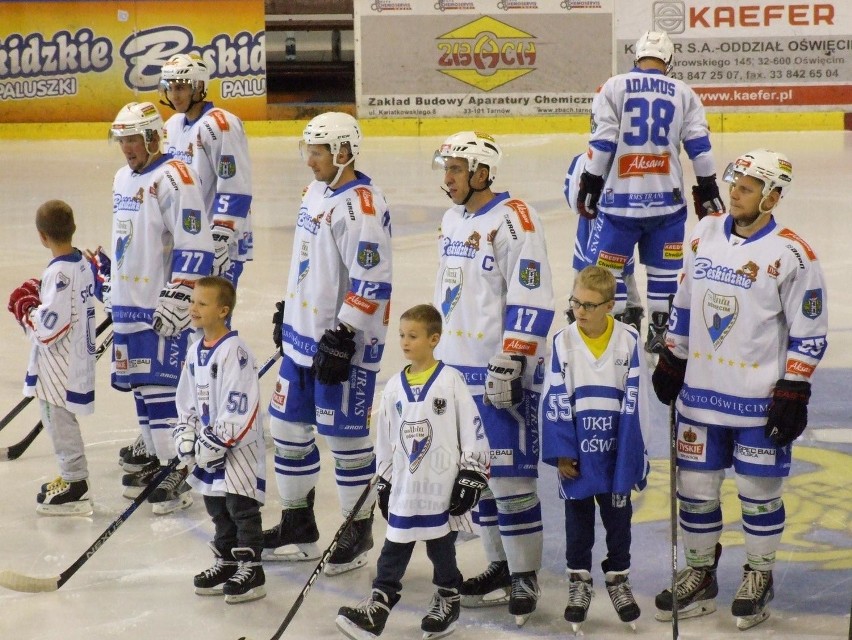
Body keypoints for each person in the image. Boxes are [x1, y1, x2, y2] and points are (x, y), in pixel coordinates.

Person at [651, 149, 828, 630]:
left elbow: (809, 332)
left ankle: (759, 575)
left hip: (757, 401)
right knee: (696, 489)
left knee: (756, 491)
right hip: (701, 396)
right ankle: (701, 574)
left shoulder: (794, 255)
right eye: (735, 184)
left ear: (772, 197)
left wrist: (794, 387)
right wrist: (673, 355)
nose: (735, 194)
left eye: (748, 188)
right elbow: (685, 301)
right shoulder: (704, 232)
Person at [431, 131, 555, 626]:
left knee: (513, 480)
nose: (449, 179)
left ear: (482, 172)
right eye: (447, 170)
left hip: (500, 371)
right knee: (478, 479)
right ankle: (500, 566)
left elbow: (534, 291)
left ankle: (524, 575)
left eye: (457, 170)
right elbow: (447, 293)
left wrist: (514, 356)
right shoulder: (451, 219)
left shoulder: (514, 219)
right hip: (457, 370)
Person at [262, 112, 393, 576]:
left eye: (317, 152)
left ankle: (357, 532)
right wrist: (289, 309)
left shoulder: (363, 206)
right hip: (303, 340)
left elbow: (372, 278)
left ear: (342, 152)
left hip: (342, 346)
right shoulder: (316, 192)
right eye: (309, 151)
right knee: (288, 431)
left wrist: (345, 334)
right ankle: (297, 525)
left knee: (345, 438)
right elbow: (307, 261)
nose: (309, 161)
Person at [336, 303, 489, 640]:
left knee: (441, 547)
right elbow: (386, 442)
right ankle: (380, 603)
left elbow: (473, 429)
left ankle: (448, 597)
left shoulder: (450, 382)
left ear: (434, 339)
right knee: (395, 544)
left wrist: (472, 473)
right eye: (402, 335)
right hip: (407, 488)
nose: (405, 342)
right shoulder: (393, 388)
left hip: (441, 487)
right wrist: (385, 481)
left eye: (413, 336)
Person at [91, 101, 215, 515]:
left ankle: (176, 469)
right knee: (141, 389)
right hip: (130, 303)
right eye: (121, 140)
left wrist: (180, 295)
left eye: (132, 140)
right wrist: (113, 284)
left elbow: (195, 243)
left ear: (151, 137)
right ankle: (158, 462)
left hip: (158, 305)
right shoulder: (122, 177)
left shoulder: (176, 177)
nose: (126, 148)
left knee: (163, 387)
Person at [576, 30, 725, 354]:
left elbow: (602, 143)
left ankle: (612, 339)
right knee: (663, 276)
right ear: (668, 61)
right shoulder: (683, 92)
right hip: (667, 205)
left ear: (637, 55)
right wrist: (708, 188)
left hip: (619, 206)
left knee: (605, 274)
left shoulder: (613, 86)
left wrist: (590, 184)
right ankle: (660, 336)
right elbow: (700, 149)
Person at [540, 265, 650, 632]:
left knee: (619, 519)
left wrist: (636, 456)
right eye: (576, 303)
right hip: (578, 454)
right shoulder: (562, 342)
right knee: (578, 520)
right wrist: (561, 451)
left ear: (610, 305)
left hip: (615, 452)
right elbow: (554, 396)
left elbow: (638, 403)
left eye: (589, 304)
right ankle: (579, 580)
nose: (580, 311)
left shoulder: (629, 340)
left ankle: (618, 578)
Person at [172, 276, 266, 604]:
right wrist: (185, 431)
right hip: (208, 447)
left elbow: (240, 403)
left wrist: (215, 441)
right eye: (193, 301)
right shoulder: (196, 350)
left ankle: (251, 568)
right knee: (215, 505)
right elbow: (188, 399)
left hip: (238, 448)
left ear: (223, 310)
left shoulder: (235, 352)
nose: (193, 308)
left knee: (240, 506)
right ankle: (227, 560)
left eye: (202, 303)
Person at [7, 200, 96, 516]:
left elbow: (50, 328)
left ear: (41, 236)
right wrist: (40, 294)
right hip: (73, 358)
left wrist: (27, 308)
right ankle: (74, 477)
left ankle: (75, 484)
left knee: (57, 420)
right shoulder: (79, 262)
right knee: (61, 419)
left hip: (59, 365)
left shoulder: (60, 272)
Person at [159, 52, 253, 288]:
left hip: (217, 244)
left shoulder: (220, 124)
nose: (174, 94)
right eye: (170, 87)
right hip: (188, 243)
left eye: (181, 87)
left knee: (212, 322)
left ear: (199, 86)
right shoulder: (171, 126)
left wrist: (221, 237)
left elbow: (234, 185)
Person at [564, 151, 643, 331]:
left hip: (596, 229)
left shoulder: (582, 159)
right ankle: (628, 323)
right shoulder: (632, 156)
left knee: (586, 276)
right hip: (621, 227)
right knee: (624, 278)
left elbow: (572, 198)